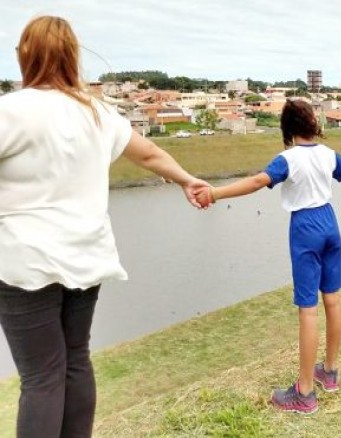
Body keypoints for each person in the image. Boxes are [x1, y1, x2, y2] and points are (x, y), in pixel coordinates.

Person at [0, 16, 210, 437]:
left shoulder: (9, 111)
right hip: (87, 256)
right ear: (71, 56)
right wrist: (187, 179)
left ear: (25, 56)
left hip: (23, 262)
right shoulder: (98, 112)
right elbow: (149, 154)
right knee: (75, 359)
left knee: (41, 376)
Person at [196, 99, 341, 414]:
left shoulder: (288, 159)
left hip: (305, 227)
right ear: (313, 125)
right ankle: (328, 371)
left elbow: (259, 182)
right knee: (333, 300)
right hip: (330, 223)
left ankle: (304, 391)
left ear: (288, 129)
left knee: (308, 310)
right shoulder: (328, 155)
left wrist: (215, 193)